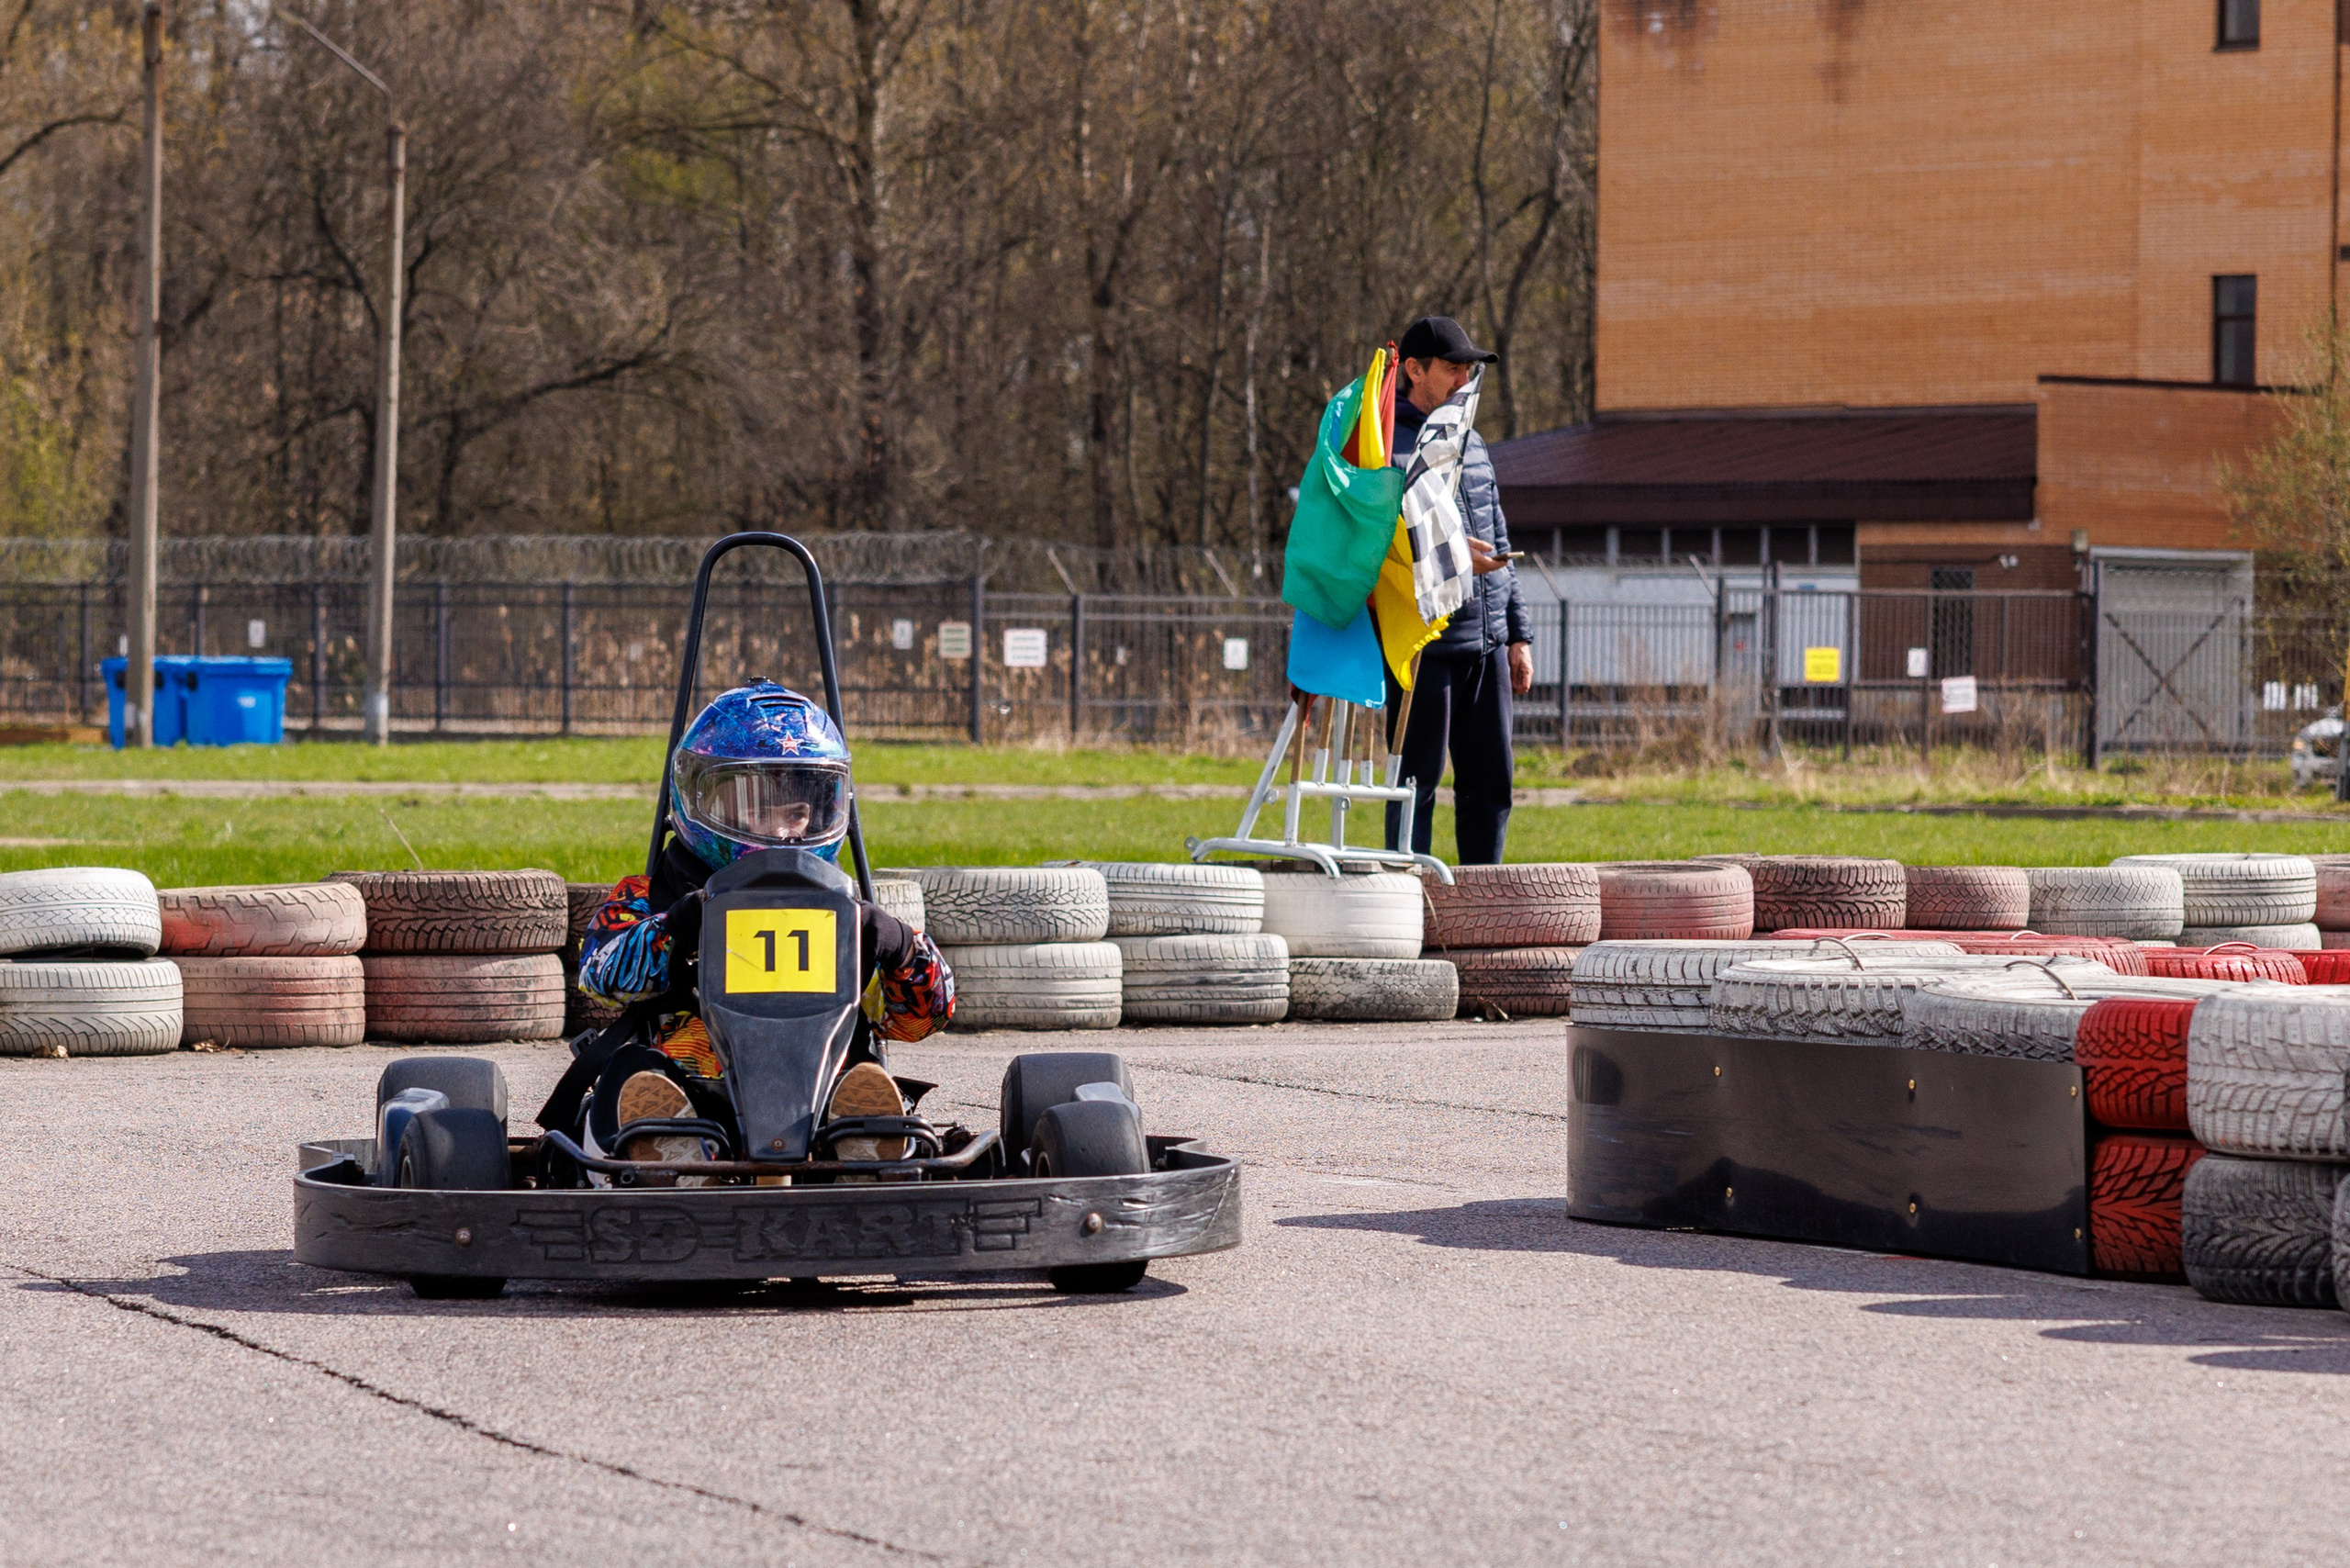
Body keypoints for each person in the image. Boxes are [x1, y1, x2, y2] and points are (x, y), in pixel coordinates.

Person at [558, 680, 954, 1172]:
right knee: (630, 1071)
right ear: (702, 801)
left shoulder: (846, 912)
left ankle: (859, 1146)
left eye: (797, 812)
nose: (783, 831)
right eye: (758, 809)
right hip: (688, 1088)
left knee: (862, 1076)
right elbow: (601, 977)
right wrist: (678, 926)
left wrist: (898, 946)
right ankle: (672, 1156)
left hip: (818, 1093)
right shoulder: (652, 898)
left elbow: (920, 1020)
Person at [1382, 315, 1532, 866]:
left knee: (1492, 784)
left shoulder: (1473, 442)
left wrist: (1518, 635)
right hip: (1425, 641)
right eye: (1453, 368)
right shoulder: (1384, 449)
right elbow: (1379, 544)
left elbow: (1499, 535)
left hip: (1487, 642)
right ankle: (1408, 895)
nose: (1464, 379)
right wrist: (1446, 551)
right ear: (1415, 370)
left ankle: (1481, 902)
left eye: (1469, 369)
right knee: (1415, 785)